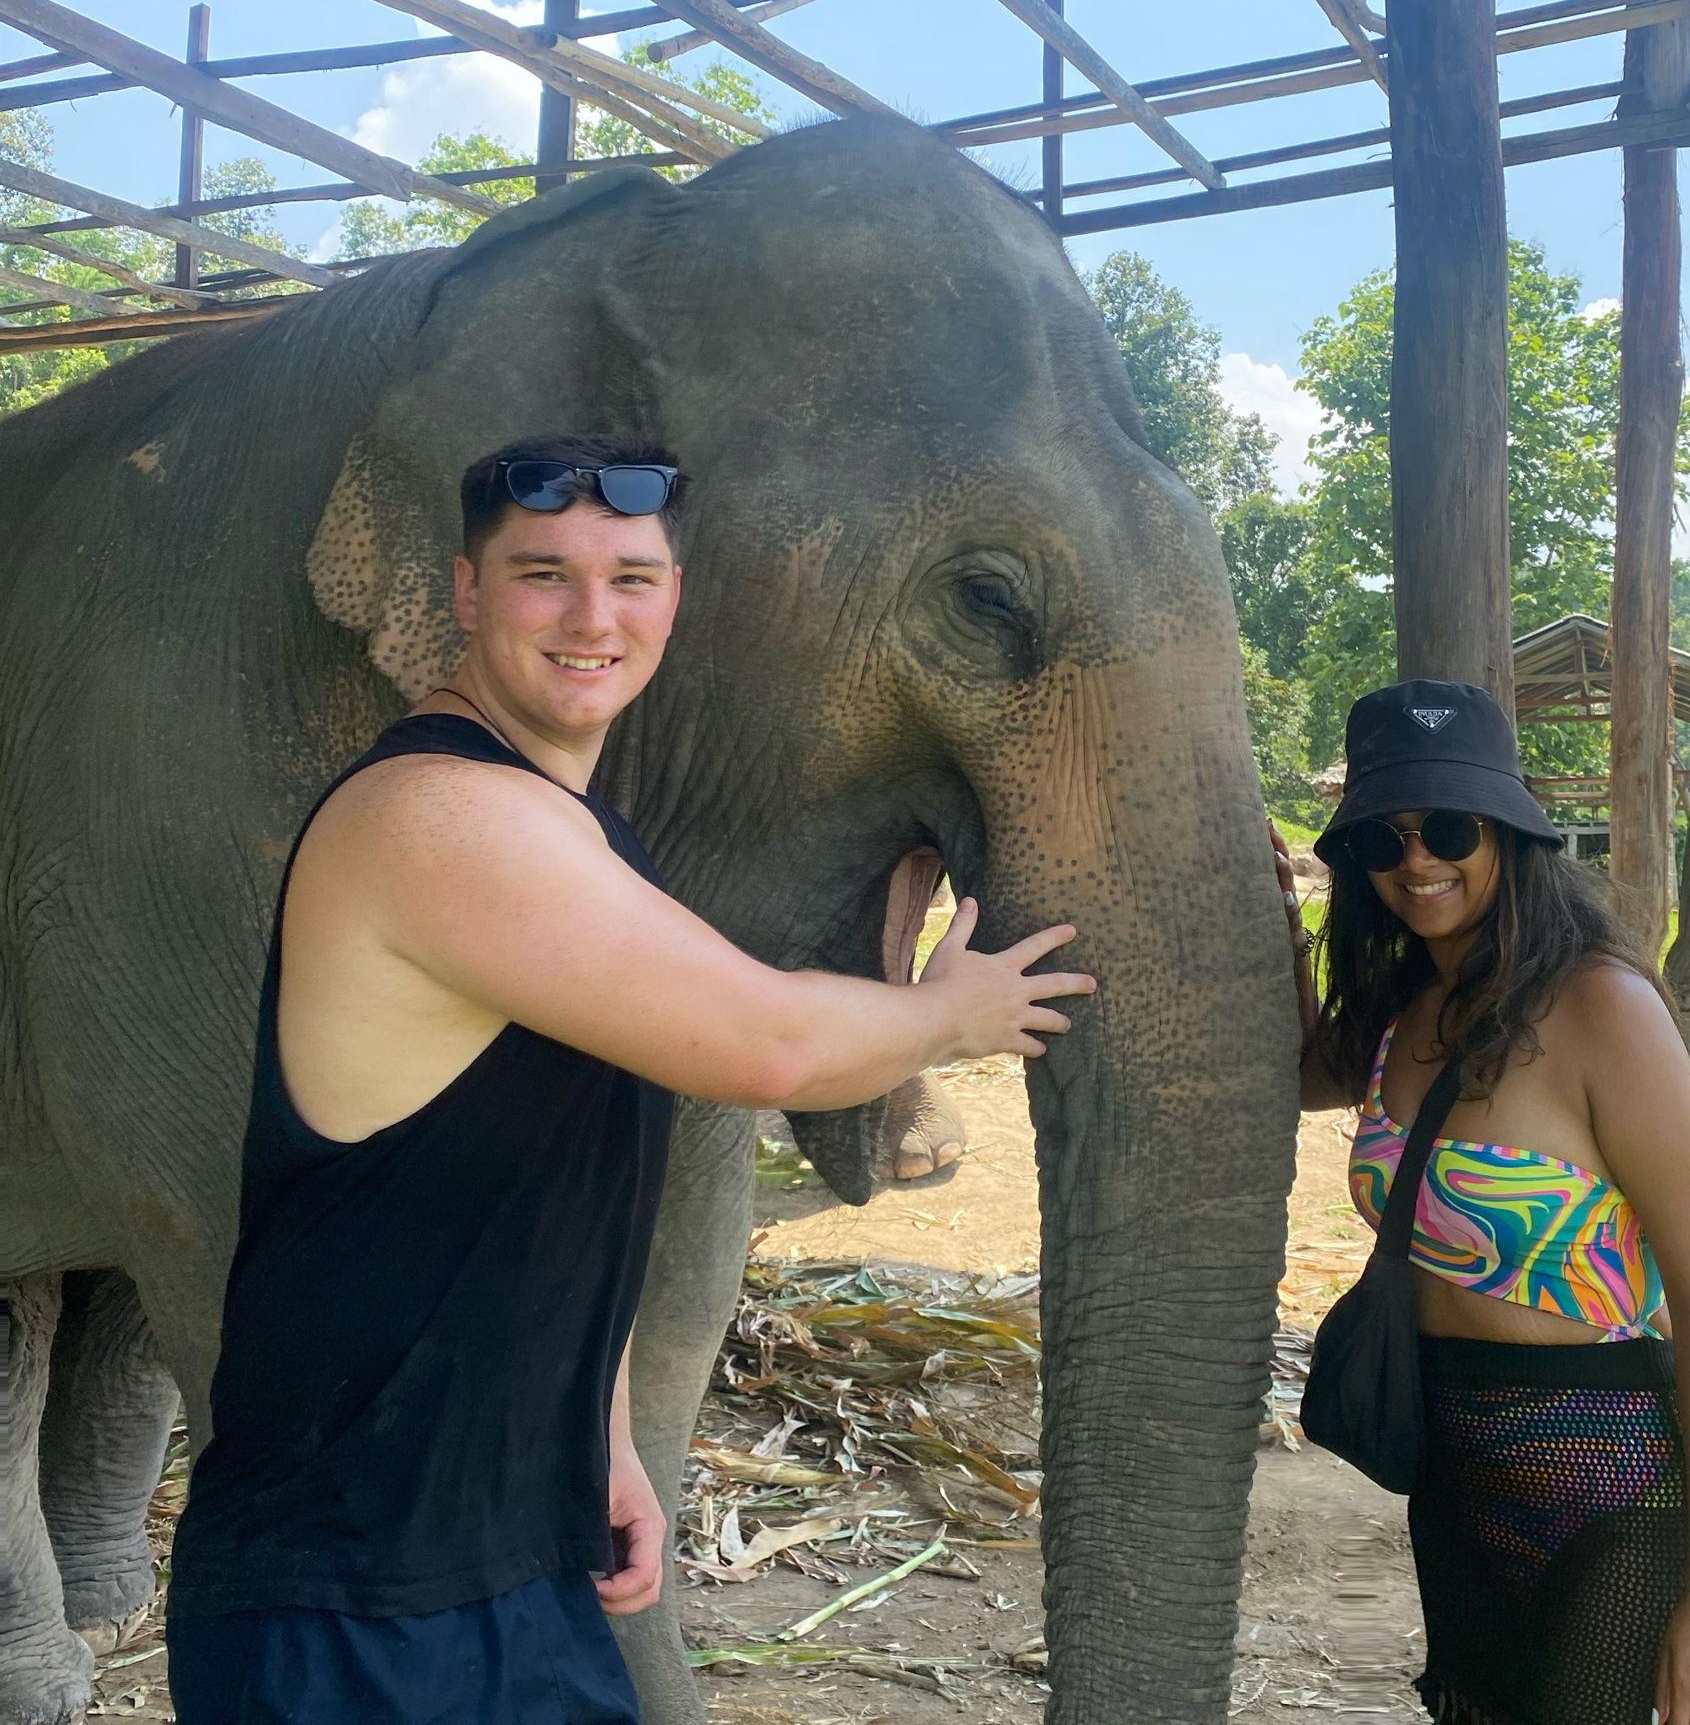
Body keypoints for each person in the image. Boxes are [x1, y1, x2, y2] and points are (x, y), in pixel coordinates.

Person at [165, 435, 1095, 1723]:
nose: (592, 617)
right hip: (356, 1590)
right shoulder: (438, 814)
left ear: (673, 598)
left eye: (632, 578)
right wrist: (948, 1016)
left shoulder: (572, 832)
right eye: (542, 573)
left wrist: (595, 1437)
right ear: (465, 592)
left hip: (506, 1550)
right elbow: (769, 1043)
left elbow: (545, 1181)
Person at [1276, 679, 1690, 1725]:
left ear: (1505, 831)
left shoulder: (1602, 1008)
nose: (1416, 860)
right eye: (1383, 837)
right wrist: (1279, 927)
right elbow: (1299, 1075)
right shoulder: (1404, 1008)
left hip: (1608, 1483)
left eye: (1449, 827)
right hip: (1452, 1470)